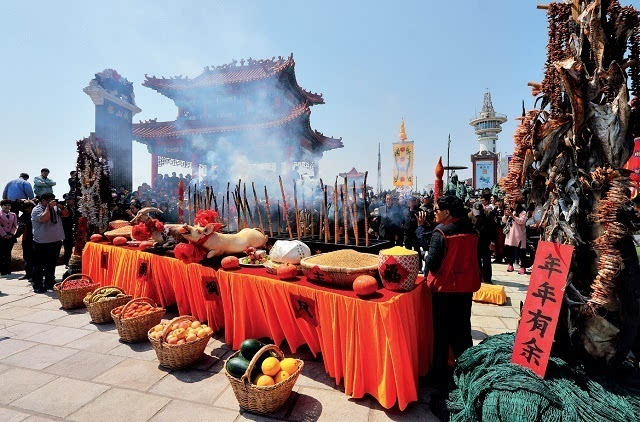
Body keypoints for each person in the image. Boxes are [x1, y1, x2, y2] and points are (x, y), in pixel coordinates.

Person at [423, 195, 481, 391]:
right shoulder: (472, 231)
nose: (434, 213)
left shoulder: (441, 233)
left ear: (447, 212)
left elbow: (432, 263)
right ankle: (469, 371)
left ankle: (439, 376)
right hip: (465, 288)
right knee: (463, 330)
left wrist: (425, 253)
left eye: (437, 209)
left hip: (445, 289)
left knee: (441, 333)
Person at [31, 193, 65, 293]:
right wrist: (48, 207)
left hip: (55, 241)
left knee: (51, 263)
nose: (52, 202)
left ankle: (49, 282)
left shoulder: (55, 208)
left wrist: (60, 206)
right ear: (43, 201)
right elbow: (44, 219)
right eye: (50, 200)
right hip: (41, 242)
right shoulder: (37, 209)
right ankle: (38, 285)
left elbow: (66, 214)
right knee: (39, 265)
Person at [471, 202, 495, 283]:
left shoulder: (488, 215)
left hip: (485, 240)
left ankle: (487, 278)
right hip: (475, 241)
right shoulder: (469, 215)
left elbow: (492, 229)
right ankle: (478, 276)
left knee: (486, 260)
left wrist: (492, 241)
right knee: (476, 260)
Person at [503, 203, 528, 274]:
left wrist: (512, 216)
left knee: (521, 251)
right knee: (509, 250)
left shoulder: (522, 212)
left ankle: (523, 267)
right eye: (512, 204)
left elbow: (521, 221)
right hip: (510, 234)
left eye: (515, 204)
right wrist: (505, 215)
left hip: (519, 235)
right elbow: (504, 221)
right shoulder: (511, 211)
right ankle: (510, 264)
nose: (513, 205)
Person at [17, 201, 35, 280]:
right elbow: (21, 228)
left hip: (37, 239)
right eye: (26, 208)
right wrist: (15, 236)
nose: (28, 209)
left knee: (35, 258)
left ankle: (35, 274)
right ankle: (28, 274)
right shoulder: (23, 217)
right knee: (27, 257)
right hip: (26, 239)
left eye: (29, 207)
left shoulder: (36, 215)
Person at [0, 199, 18, 275]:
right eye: (5, 205)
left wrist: (11, 234)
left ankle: (7, 268)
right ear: (1, 206)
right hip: (1, 236)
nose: (7, 207)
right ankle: (2, 270)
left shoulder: (13, 214)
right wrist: (4, 235)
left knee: (8, 253)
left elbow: (15, 225)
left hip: (10, 236)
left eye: (9, 205)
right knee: (1, 253)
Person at [60, 195, 75, 266]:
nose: (68, 201)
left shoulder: (77, 208)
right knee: (68, 247)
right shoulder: (64, 209)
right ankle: (67, 262)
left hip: (76, 229)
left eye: (69, 199)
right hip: (67, 230)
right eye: (66, 200)